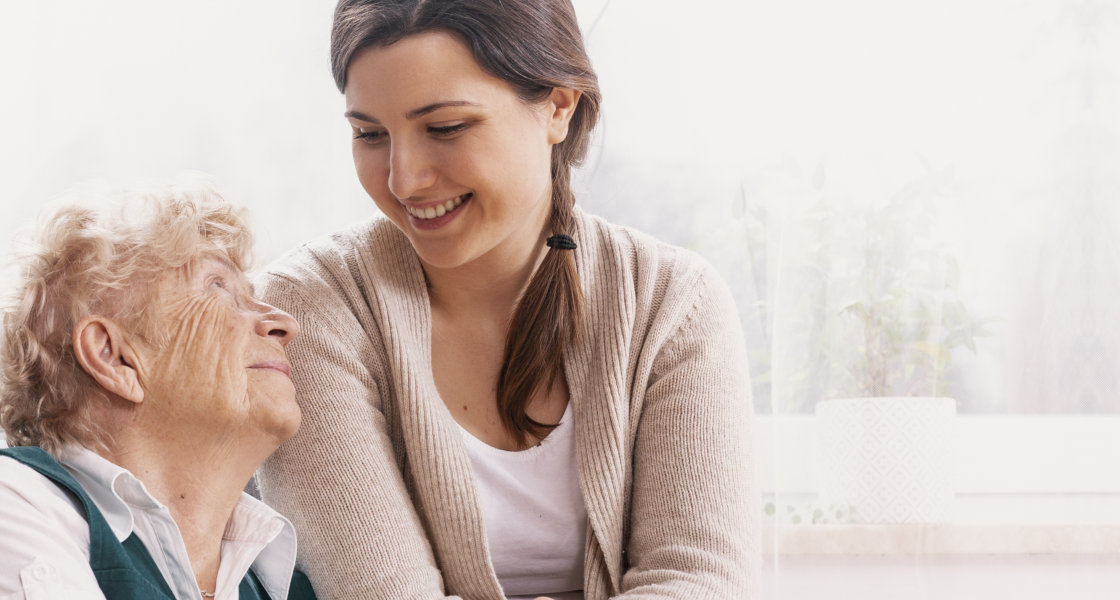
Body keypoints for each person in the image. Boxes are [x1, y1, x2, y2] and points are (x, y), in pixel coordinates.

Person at [253, 1, 758, 598]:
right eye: (370, 134)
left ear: (558, 105)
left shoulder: (673, 303)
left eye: (445, 128)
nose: (403, 180)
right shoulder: (310, 309)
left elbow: (699, 581)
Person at [0, 180, 315, 600]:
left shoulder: (273, 573)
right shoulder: (10, 505)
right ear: (114, 357)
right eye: (217, 287)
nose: (283, 323)